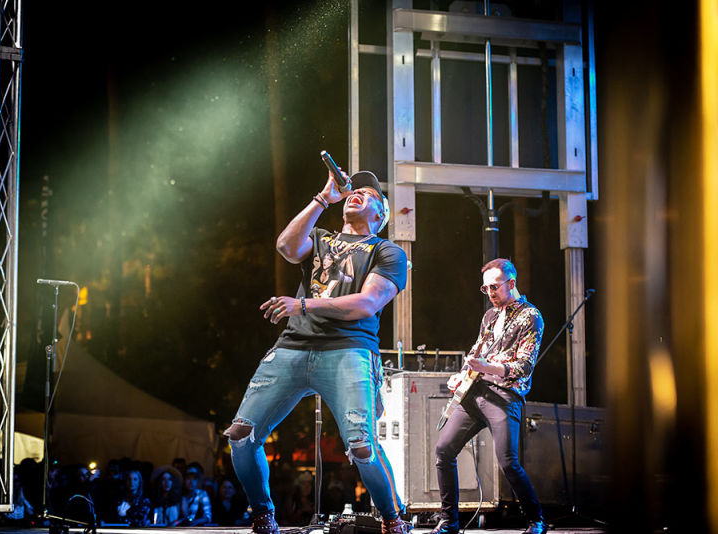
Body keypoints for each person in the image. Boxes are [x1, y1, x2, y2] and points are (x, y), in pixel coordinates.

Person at [226, 167, 410, 534]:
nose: (357, 193)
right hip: (294, 346)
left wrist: (304, 306)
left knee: (362, 446)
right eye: (353, 191)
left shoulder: (386, 251)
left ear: (381, 215)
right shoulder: (322, 239)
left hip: (349, 349)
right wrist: (324, 197)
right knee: (241, 434)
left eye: (369, 195)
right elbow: (286, 247)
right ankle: (263, 513)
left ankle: (393, 518)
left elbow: (366, 303)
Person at [432, 259, 547, 534]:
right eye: (486, 289)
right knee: (443, 450)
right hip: (476, 392)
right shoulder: (490, 317)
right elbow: (475, 354)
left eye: (494, 287)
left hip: (505, 396)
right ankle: (449, 521)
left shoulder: (530, 316)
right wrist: (461, 376)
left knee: (508, 461)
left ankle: (537, 519)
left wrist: (487, 367)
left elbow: (524, 367)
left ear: (511, 283)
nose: (490, 293)